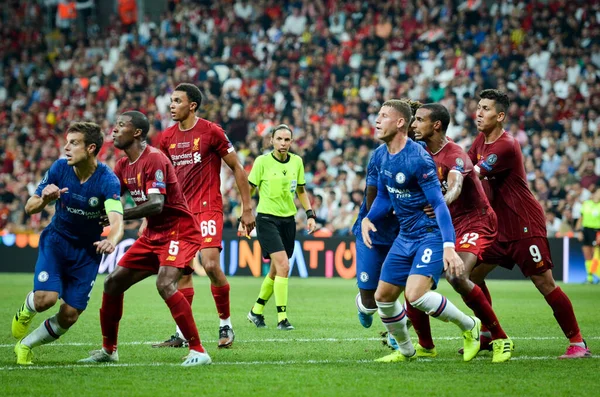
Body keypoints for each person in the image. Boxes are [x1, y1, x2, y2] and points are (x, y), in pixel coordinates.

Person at [80, 111, 211, 366]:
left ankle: (198, 350)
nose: (114, 130)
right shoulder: (123, 165)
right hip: (153, 235)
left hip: (179, 231)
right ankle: (109, 350)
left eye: (121, 126)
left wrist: (118, 215)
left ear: (137, 132)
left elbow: (156, 205)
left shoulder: (154, 159)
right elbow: (109, 197)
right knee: (112, 283)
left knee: (164, 284)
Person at [468, 89, 591, 359]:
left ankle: (578, 343)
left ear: (500, 116)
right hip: (497, 228)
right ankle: (489, 333)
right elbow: (464, 166)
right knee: (470, 276)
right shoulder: (480, 141)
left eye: (486, 108)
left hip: (524, 225)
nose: (478, 112)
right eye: (478, 107)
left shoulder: (507, 145)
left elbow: (470, 174)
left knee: (544, 283)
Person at [360, 99, 481, 362]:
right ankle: (406, 351)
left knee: (415, 295)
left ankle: (470, 326)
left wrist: (449, 247)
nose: (377, 120)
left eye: (383, 116)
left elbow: (438, 203)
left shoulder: (418, 158)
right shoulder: (381, 155)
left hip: (430, 235)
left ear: (400, 122)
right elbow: (383, 195)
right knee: (383, 297)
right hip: (405, 236)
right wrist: (369, 218)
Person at [12, 122, 124, 365]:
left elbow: (116, 220)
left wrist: (111, 240)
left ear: (91, 148)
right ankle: (26, 310)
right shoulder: (59, 168)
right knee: (45, 299)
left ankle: (25, 345)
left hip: (87, 252)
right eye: (67, 142)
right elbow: (30, 206)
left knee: (70, 315)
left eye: (74, 143)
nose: (66, 147)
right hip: (57, 241)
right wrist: (43, 199)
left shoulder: (108, 181)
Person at [155, 83, 255, 349]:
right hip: (180, 213)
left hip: (208, 207)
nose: (172, 105)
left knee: (210, 265)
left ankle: (226, 325)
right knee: (181, 273)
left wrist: (247, 208)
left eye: (177, 101)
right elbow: (162, 180)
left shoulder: (211, 131)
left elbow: (237, 167)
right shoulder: (166, 138)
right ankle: (180, 332)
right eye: (171, 101)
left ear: (192, 105)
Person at [412, 103, 513, 363]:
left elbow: (455, 186)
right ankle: (424, 344)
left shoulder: (454, 154)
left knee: (457, 275)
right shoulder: (422, 152)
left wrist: (440, 203)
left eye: (420, 121)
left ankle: (500, 337)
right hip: (449, 223)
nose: (414, 125)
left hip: (475, 221)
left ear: (436, 125)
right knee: (411, 278)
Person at [246, 124, 317, 330]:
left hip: (288, 220)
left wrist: (310, 214)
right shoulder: (262, 162)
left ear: (291, 142)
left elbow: (301, 190)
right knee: (284, 266)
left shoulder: (297, 162)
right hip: (267, 219)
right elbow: (248, 189)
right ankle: (282, 318)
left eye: (287, 140)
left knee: (276, 271)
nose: (283, 143)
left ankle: (255, 311)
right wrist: (245, 213)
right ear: (271, 141)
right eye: (279, 139)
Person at [575, 187, 600, 283]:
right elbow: (581, 218)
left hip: (597, 231)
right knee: (587, 254)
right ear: (594, 194)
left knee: (596, 254)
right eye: (598, 192)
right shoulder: (586, 204)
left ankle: (597, 275)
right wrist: (579, 231)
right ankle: (589, 278)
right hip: (586, 230)